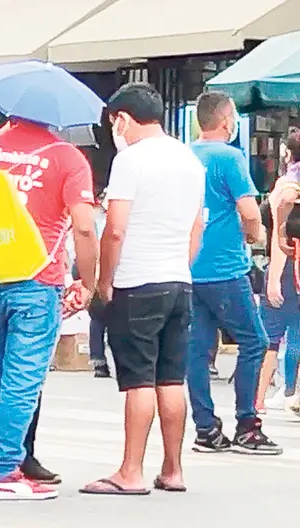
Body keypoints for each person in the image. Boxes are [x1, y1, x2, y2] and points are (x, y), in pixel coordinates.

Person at [0, 115, 98, 501]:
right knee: (22, 379)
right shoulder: (68, 158)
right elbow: (84, 225)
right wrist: (89, 280)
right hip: (38, 279)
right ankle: (3, 471)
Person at [78, 83, 204, 495]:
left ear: (123, 118)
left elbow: (114, 230)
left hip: (137, 280)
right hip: (178, 282)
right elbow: (196, 227)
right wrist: (178, 267)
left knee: (138, 381)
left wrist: (104, 282)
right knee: (171, 378)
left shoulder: (130, 161)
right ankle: (173, 469)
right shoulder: (188, 158)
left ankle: (130, 471)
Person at [186, 91, 280, 456]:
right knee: (254, 341)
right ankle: (247, 424)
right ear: (226, 121)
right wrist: (252, 236)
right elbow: (250, 211)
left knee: (197, 350)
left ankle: (206, 428)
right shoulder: (230, 157)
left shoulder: (185, 155)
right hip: (225, 267)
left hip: (188, 267)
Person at [255, 128, 300, 413]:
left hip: (287, 265)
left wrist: (272, 278)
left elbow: (275, 238)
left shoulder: (288, 184)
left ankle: (257, 398)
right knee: (296, 331)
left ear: (286, 152)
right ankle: (292, 392)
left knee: (268, 336)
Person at [88, 193, 111, 379]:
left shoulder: (95, 217)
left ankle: (98, 361)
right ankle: (104, 360)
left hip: (97, 270)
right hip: (118, 271)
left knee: (97, 319)